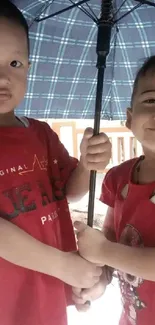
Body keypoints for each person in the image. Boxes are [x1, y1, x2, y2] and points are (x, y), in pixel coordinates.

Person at [0, 1, 112, 325]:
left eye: (15, 62)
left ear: (29, 68)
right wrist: (63, 265)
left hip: (45, 295)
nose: (3, 77)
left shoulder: (40, 133)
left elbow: (67, 191)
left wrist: (88, 165)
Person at [75, 55, 155, 325]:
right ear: (130, 118)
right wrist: (99, 279)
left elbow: (106, 249)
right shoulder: (118, 178)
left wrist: (104, 252)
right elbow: (110, 237)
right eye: (151, 100)